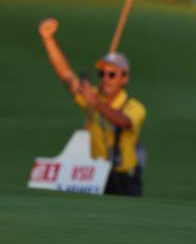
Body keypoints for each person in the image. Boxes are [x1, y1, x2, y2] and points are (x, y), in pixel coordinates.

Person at [38, 18, 147, 196]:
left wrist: (95, 102)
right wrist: (48, 39)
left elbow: (123, 122)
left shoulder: (134, 106)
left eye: (112, 74)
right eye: (102, 73)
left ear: (124, 79)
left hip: (125, 178)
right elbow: (66, 75)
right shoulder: (91, 97)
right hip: (96, 176)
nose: (105, 78)